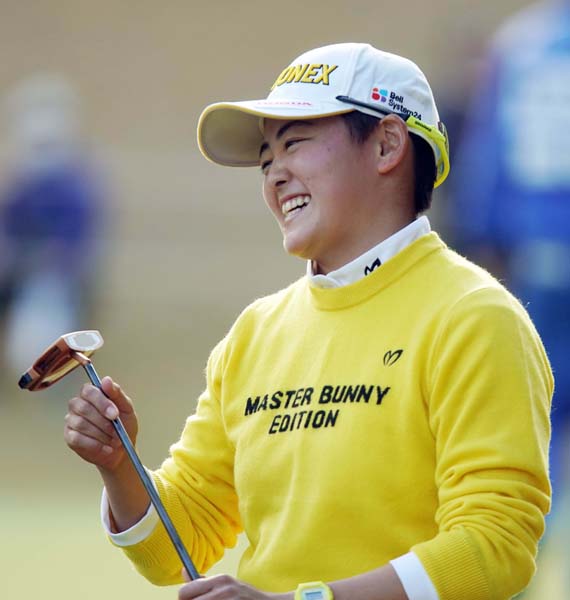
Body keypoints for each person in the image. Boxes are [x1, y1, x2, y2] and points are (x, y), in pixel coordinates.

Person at [64, 43, 553, 600]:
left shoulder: (475, 317)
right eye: (266, 160)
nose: (274, 175)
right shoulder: (255, 334)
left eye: (294, 143)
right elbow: (180, 544)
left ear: (387, 145)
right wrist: (118, 465)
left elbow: (495, 546)